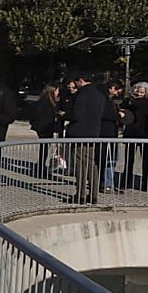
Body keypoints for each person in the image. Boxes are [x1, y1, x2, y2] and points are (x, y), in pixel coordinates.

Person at [65, 72, 107, 204]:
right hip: (93, 132)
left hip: (79, 133)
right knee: (91, 163)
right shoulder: (99, 95)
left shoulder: (81, 95)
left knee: (80, 164)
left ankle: (81, 194)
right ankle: (93, 194)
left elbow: (77, 115)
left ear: (81, 80)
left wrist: (65, 115)